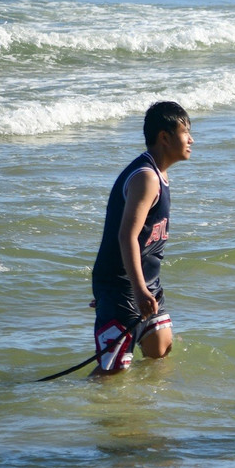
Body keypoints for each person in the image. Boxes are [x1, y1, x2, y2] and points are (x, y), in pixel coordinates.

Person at [91, 101, 193, 374]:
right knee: (111, 373)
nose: (191, 140)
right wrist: (133, 291)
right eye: (185, 132)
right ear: (164, 136)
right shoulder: (146, 177)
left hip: (145, 283)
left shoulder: (160, 174)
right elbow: (127, 237)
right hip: (124, 286)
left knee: (161, 347)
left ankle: (142, 408)